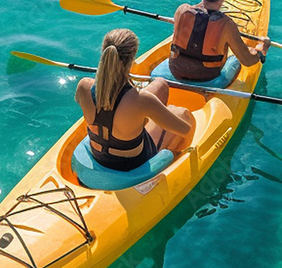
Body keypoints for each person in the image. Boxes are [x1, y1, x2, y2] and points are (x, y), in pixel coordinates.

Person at [76, 28, 194, 171]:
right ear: (132, 60)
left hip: (98, 153)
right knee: (183, 114)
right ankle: (176, 163)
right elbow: (184, 130)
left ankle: (133, 126)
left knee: (160, 84)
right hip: (130, 163)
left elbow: (82, 100)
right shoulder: (142, 101)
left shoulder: (84, 86)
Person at [168, 0, 270, 82]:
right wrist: (261, 51)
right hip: (207, 76)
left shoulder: (181, 11)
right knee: (236, 60)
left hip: (175, 70)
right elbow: (247, 61)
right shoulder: (226, 24)